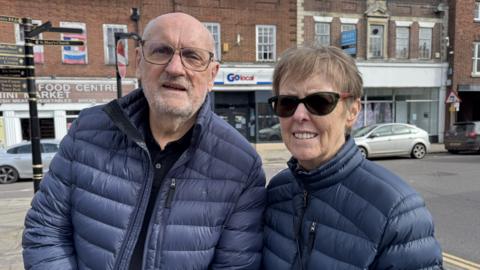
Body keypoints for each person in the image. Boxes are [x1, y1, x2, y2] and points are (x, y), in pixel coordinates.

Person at [22, 12, 266, 270]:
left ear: (212, 74)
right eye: (161, 51)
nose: (174, 68)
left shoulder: (240, 165)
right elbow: (45, 231)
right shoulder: (87, 131)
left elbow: (236, 266)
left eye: (192, 56)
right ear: (139, 61)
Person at [263, 45, 443, 269]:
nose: (299, 115)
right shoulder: (277, 191)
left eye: (319, 102)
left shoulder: (398, 212)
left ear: (353, 111)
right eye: (287, 103)